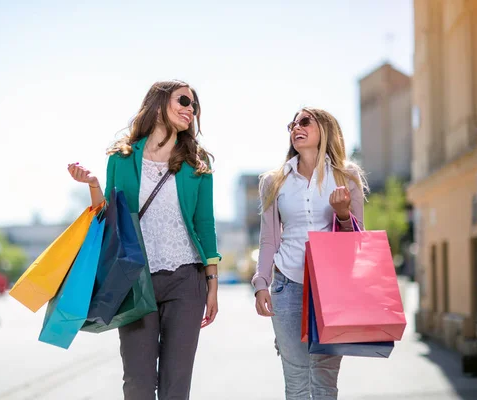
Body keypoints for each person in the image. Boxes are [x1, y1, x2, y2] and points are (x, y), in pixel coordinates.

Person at [67, 80, 220, 400]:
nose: (190, 109)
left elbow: (205, 224)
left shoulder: (197, 161)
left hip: (186, 279)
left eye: (194, 105)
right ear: (158, 103)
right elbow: (109, 216)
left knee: (176, 385)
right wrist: (94, 184)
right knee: (137, 382)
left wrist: (212, 286)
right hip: (136, 279)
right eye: (182, 100)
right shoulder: (121, 158)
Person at [252, 107, 366, 399]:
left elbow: (357, 242)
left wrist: (342, 214)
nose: (295, 127)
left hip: (330, 290)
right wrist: (261, 283)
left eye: (304, 121)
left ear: (324, 130)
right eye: (292, 124)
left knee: (325, 381)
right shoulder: (274, 181)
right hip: (286, 284)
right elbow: (268, 240)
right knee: (297, 380)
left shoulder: (346, 176)